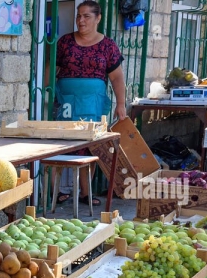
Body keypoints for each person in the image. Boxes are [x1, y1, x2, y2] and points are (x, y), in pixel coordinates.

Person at [53, 0, 127, 206]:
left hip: (93, 104)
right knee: (63, 143)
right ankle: (59, 190)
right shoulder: (65, 42)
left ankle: (85, 192)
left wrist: (121, 103)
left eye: (86, 16)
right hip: (67, 103)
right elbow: (52, 71)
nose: (81, 20)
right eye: (78, 16)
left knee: (90, 146)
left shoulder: (108, 46)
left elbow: (117, 78)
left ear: (98, 18)